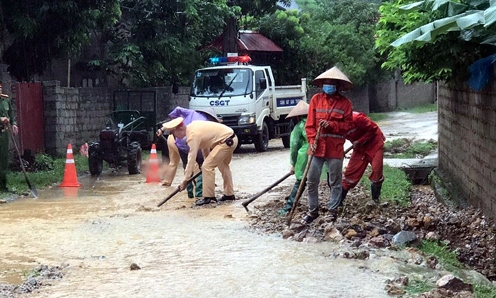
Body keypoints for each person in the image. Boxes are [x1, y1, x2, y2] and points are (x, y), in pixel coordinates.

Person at [301, 67, 354, 224]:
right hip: (316, 148)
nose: (328, 85)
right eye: (326, 83)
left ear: (337, 85)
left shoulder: (345, 104)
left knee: (335, 181)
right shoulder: (316, 100)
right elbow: (310, 125)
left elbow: (348, 126)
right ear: (322, 84)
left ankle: (333, 210)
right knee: (311, 180)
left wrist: (331, 125)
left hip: (335, 148)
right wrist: (312, 141)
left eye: (331, 83)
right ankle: (313, 211)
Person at [160, 117, 238, 206]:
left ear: (180, 129)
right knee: (222, 166)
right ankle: (229, 194)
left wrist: (185, 181)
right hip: (230, 138)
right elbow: (205, 146)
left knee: (207, 166)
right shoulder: (192, 126)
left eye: (173, 133)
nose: (174, 137)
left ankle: (209, 197)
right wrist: (206, 160)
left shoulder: (192, 135)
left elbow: (191, 159)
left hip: (226, 141)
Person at [156, 106, 219, 199]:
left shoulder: (190, 113)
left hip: (177, 142)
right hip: (194, 142)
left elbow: (176, 110)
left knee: (185, 166)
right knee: (204, 167)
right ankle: (199, 193)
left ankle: (189, 193)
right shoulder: (208, 122)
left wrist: (163, 128)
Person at [336, 111, 386, 206]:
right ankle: (338, 202)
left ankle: (375, 200)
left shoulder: (357, 118)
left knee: (377, 170)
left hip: (374, 143)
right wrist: (339, 151)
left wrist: (360, 140)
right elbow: (338, 139)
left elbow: (373, 129)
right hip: (359, 148)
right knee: (350, 174)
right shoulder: (337, 126)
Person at [278, 100, 309, 215]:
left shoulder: (299, 126)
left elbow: (294, 146)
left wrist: (294, 164)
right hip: (320, 154)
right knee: (314, 182)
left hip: (305, 155)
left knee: (300, 181)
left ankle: (288, 208)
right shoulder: (315, 123)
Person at [0, 82, 18, 192]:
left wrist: (14, 124)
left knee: (4, 160)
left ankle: (3, 186)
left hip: (4, 133)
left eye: (0, 88)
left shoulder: (5, 100)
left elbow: (11, 114)